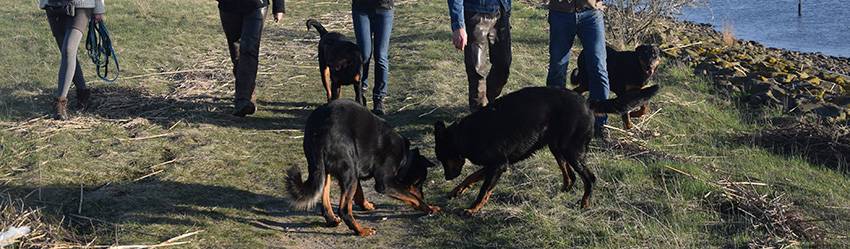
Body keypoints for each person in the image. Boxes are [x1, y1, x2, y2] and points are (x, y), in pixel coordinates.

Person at [546, 0, 610, 138]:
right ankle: (554, 120)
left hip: (592, 13)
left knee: (598, 68)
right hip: (560, 12)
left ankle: (600, 125)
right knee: (558, 68)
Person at [217, 0, 285, 117]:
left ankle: (243, 99)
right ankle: (249, 94)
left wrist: (278, 6)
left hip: (256, 5)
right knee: (236, 53)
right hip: (229, 7)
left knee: (249, 49)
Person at [40, 0, 105, 120]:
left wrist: (99, 8)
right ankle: (83, 94)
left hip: (81, 5)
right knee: (68, 54)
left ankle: (60, 103)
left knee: (69, 49)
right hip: (53, 5)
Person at [447, 0, 512, 112]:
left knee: (503, 66)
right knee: (477, 71)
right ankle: (479, 114)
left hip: (500, 12)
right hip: (475, 14)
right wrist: (459, 26)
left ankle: (487, 101)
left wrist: (507, 12)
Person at [352, 0, 394, 115]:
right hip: (361, 9)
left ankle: (379, 98)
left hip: (385, 9)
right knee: (364, 54)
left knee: (381, 56)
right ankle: (361, 93)